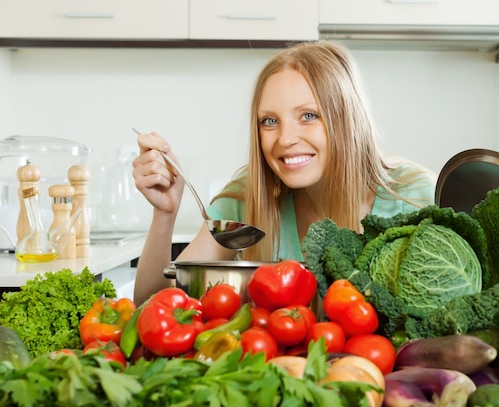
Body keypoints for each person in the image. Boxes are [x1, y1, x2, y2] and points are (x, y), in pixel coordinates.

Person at [132, 41, 436, 305]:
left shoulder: (414, 197)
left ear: (347, 118)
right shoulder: (247, 197)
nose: (285, 139)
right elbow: (155, 308)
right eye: (269, 121)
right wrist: (164, 215)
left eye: (308, 116)